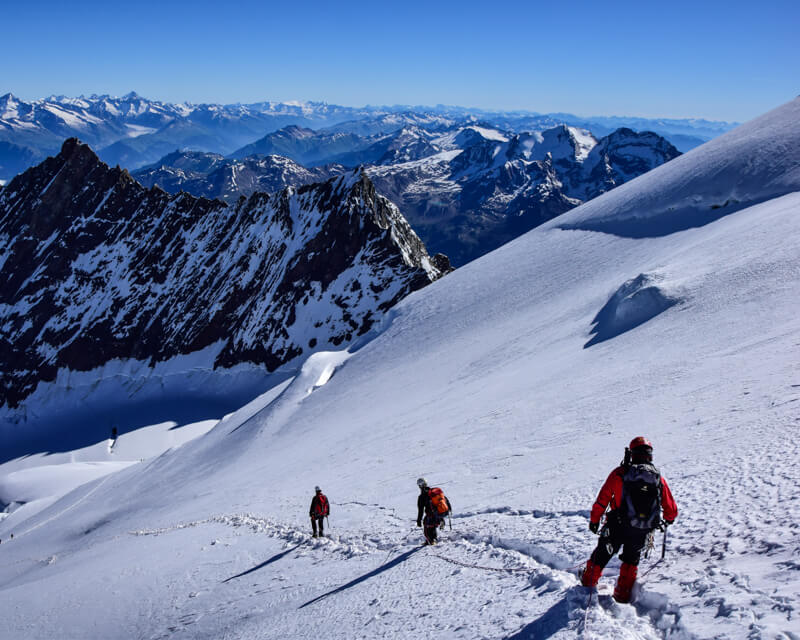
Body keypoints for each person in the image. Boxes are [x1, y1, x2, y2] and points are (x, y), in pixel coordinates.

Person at [580, 436, 678, 603]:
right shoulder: (656, 478)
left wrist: (595, 519)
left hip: (616, 525)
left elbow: (603, 498)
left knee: (602, 554)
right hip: (642, 528)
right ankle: (623, 593)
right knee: (631, 559)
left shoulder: (620, 473)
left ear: (631, 453)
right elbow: (671, 508)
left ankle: (588, 582)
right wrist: (668, 519)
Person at [416, 477, 451, 545]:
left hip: (431, 515)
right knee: (432, 526)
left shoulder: (421, 497)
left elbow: (420, 510)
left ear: (420, 486)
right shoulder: (433, 492)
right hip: (438, 513)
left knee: (427, 526)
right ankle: (433, 538)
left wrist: (418, 520)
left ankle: (431, 541)